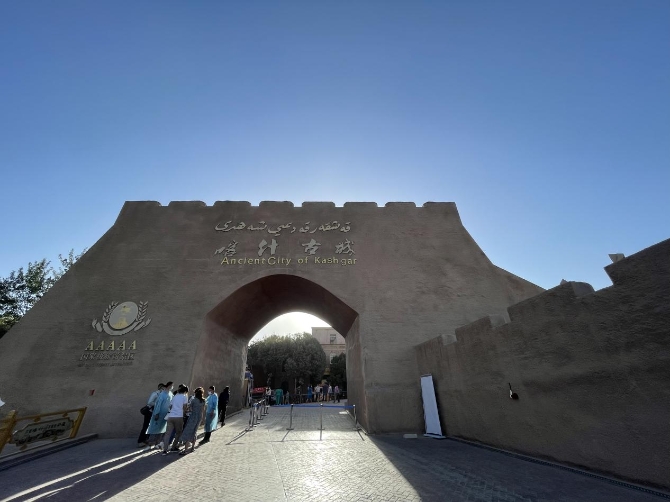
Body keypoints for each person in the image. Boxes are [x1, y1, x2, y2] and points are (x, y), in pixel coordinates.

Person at [146, 381, 173, 450]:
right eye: (171, 385)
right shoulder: (162, 394)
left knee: (161, 430)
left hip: (165, 415)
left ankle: (157, 443)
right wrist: (157, 413)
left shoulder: (170, 394)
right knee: (154, 429)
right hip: (159, 414)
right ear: (168, 386)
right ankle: (149, 444)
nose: (172, 387)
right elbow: (158, 405)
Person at [163, 384, 188, 454]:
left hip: (171, 416)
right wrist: (185, 412)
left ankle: (165, 450)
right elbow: (185, 407)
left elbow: (170, 406)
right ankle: (173, 447)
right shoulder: (184, 397)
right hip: (179, 416)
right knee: (178, 433)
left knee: (167, 433)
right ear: (185, 391)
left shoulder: (175, 396)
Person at [180, 387, 205, 455]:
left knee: (188, 431)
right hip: (199, 417)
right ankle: (193, 447)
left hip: (193, 417)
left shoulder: (194, 400)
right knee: (194, 431)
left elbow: (190, 409)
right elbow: (203, 410)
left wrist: (186, 410)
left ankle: (185, 450)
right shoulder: (203, 401)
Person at [138, 383, 163, 447]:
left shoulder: (160, 395)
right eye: (163, 388)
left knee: (150, 427)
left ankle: (145, 439)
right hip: (149, 412)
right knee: (146, 426)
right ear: (160, 388)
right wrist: (157, 404)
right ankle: (140, 441)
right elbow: (149, 402)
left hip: (153, 412)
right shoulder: (155, 394)